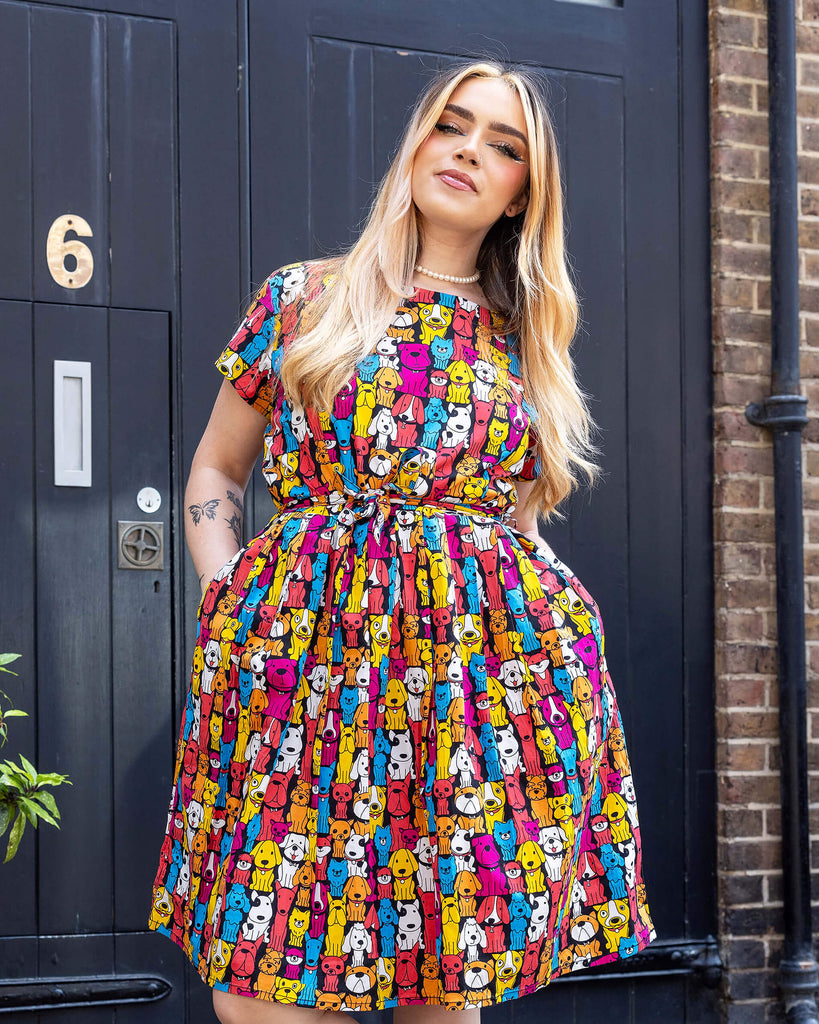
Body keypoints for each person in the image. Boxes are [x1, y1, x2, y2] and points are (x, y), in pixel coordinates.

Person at [147, 57, 657, 1024]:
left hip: (466, 690)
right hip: (300, 671)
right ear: (417, 143)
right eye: (453, 126)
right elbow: (215, 473)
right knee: (262, 989)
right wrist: (228, 610)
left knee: (441, 986)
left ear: (520, 196)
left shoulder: (525, 338)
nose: (470, 151)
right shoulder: (304, 297)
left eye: (503, 147)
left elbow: (513, 524)